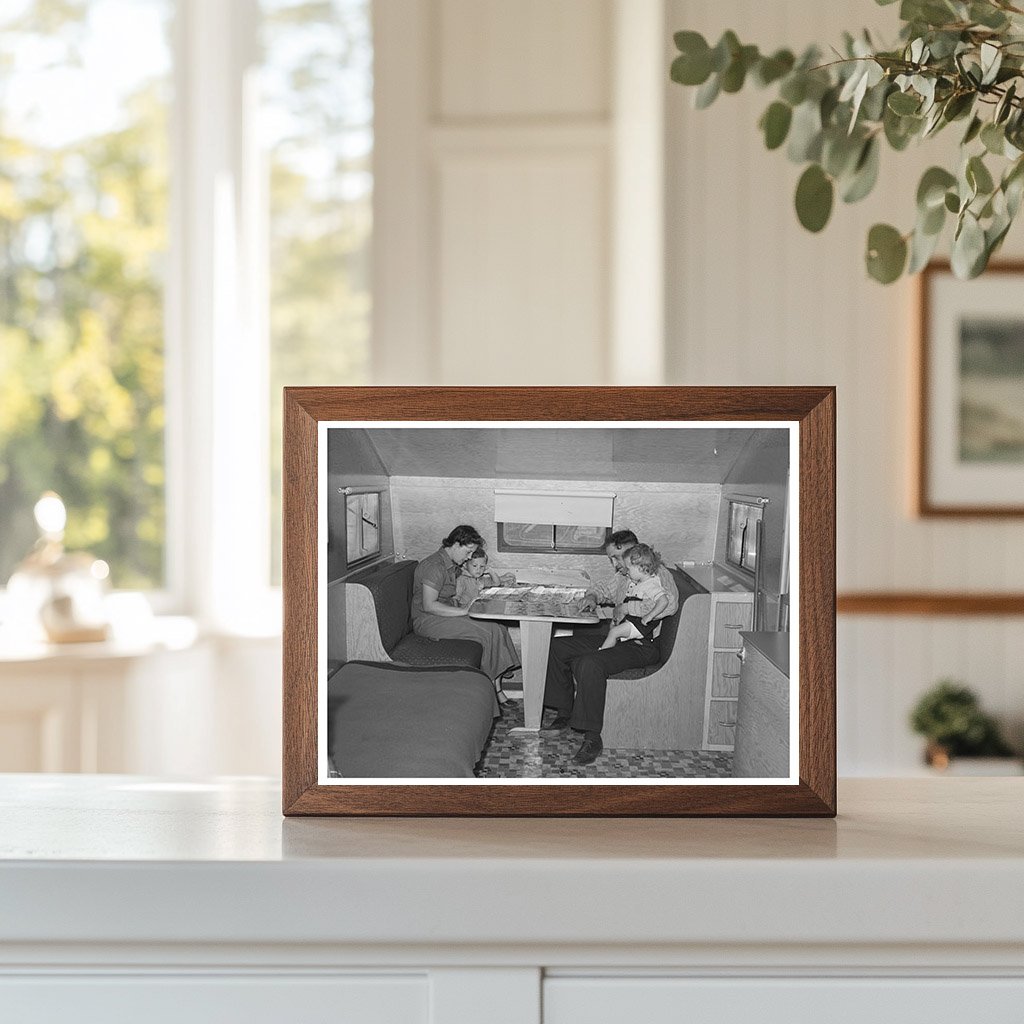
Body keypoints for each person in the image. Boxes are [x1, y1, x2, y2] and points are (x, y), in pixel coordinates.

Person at [540, 529, 679, 766]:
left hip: (642, 644)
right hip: (620, 635)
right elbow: (603, 587)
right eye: (612, 560)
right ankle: (564, 713)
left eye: (617, 558)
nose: (615, 565)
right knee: (556, 647)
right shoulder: (625, 574)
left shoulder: (657, 574)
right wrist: (593, 597)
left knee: (589, 663)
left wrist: (629, 609)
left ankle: (592, 736)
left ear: (633, 552)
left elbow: (670, 605)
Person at [412, 525, 519, 695]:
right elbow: (429, 605)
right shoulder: (434, 567)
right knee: (488, 632)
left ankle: (496, 687)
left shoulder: (452, 564)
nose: (469, 557)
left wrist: (499, 580)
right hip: (427, 619)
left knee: (498, 626)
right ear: (456, 544)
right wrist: (464, 611)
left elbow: (469, 581)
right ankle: (488, 691)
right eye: (468, 552)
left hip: (446, 611)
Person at [599, 544, 670, 649]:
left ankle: (601, 653)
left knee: (614, 632)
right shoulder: (635, 581)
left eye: (628, 569)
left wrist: (649, 616)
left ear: (641, 568)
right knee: (613, 629)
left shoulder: (651, 584)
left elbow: (664, 601)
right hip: (633, 620)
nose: (626, 572)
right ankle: (609, 650)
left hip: (642, 625)